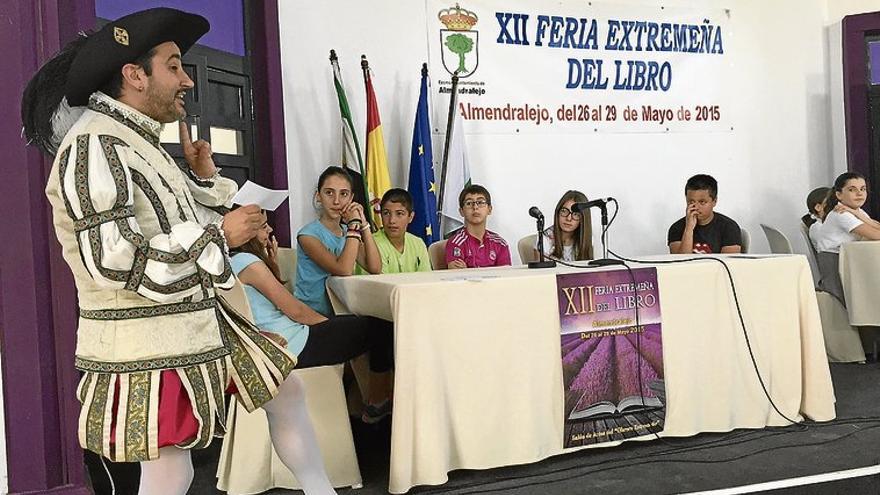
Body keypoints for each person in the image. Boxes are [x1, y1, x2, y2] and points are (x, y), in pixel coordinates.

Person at [21, 9, 334, 494]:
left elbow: (178, 224)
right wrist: (220, 238)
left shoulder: (135, 140)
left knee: (284, 392)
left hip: (193, 321)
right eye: (173, 65)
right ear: (134, 75)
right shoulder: (94, 146)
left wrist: (206, 181)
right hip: (147, 339)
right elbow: (113, 258)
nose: (187, 79)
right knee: (169, 467)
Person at [230, 211, 394, 423]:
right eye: (263, 227)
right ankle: (378, 402)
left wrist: (273, 264)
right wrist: (329, 327)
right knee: (381, 325)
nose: (270, 230)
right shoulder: (248, 262)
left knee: (358, 329)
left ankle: (367, 403)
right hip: (295, 344)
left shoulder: (230, 262)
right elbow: (295, 311)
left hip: (281, 342)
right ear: (247, 233)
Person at [295, 166, 382, 316]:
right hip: (312, 315)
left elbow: (375, 268)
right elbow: (344, 270)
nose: (336, 201)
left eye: (343, 194)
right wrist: (353, 226)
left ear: (351, 198)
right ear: (318, 196)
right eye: (329, 193)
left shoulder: (348, 232)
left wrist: (364, 224)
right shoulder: (307, 235)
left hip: (342, 312)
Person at [667, 174, 742, 254]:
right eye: (691, 202)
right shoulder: (676, 228)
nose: (696, 207)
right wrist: (688, 229)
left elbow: (728, 264)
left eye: (702, 202)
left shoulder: (729, 227)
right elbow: (680, 263)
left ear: (714, 201)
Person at [811, 172, 880, 254]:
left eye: (863, 189)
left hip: (849, 257)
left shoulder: (856, 210)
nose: (859, 193)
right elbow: (876, 235)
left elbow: (877, 227)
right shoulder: (841, 213)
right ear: (839, 195)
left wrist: (858, 214)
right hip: (835, 260)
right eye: (852, 190)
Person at [445, 184, 511, 268]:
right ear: (461, 211)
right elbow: (458, 276)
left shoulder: (500, 244)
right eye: (469, 203)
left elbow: (505, 276)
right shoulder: (456, 243)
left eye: (480, 202)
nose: (475, 207)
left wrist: (467, 270)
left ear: (489, 209)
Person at [375, 188, 431, 273]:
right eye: (386, 213)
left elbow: (426, 281)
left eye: (399, 214)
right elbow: (382, 284)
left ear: (410, 217)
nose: (392, 220)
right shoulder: (373, 244)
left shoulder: (418, 243)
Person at [533, 190, 594, 262]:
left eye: (576, 214)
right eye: (564, 211)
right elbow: (541, 272)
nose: (568, 218)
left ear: (583, 219)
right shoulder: (544, 239)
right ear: (558, 213)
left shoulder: (588, 238)